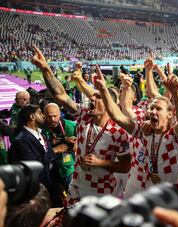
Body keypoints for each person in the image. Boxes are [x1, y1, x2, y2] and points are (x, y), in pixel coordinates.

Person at [30, 46, 131, 204]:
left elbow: (126, 166)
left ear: (108, 103)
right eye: (92, 96)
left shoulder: (118, 131)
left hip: (102, 192)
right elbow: (60, 95)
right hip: (77, 185)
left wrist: (101, 163)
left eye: (97, 97)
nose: (91, 99)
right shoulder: (84, 116)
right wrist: (46, 69)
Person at [94, 64, 178, 192]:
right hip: (150, 193)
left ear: (170, 114)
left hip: (172, 196)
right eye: (151, 108)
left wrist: (175, 92)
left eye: (158, 108)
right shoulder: (144, 131)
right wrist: (103, 89)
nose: (152, 111)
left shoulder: (176, 136)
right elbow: (117, 116)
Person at [7, 105, 66, 207]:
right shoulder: (21, 141)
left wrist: (58, 183)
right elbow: (34, 166)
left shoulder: (41, 133)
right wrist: (55, 150)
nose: (43, 116)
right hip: (37, 192)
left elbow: (46, 157)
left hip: (51, 186)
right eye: (40, 113)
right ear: (32, 117)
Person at [42, 103, 77, 190]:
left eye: (55, 116)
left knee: (72, 192)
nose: (52, 119)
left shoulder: (72, 126)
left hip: (68, 168)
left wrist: (74, 143)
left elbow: (80, 147)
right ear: (44, 115)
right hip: (49, 169)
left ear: (60, 113)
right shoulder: (40, 128)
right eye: (49, 116)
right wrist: (51, 145)